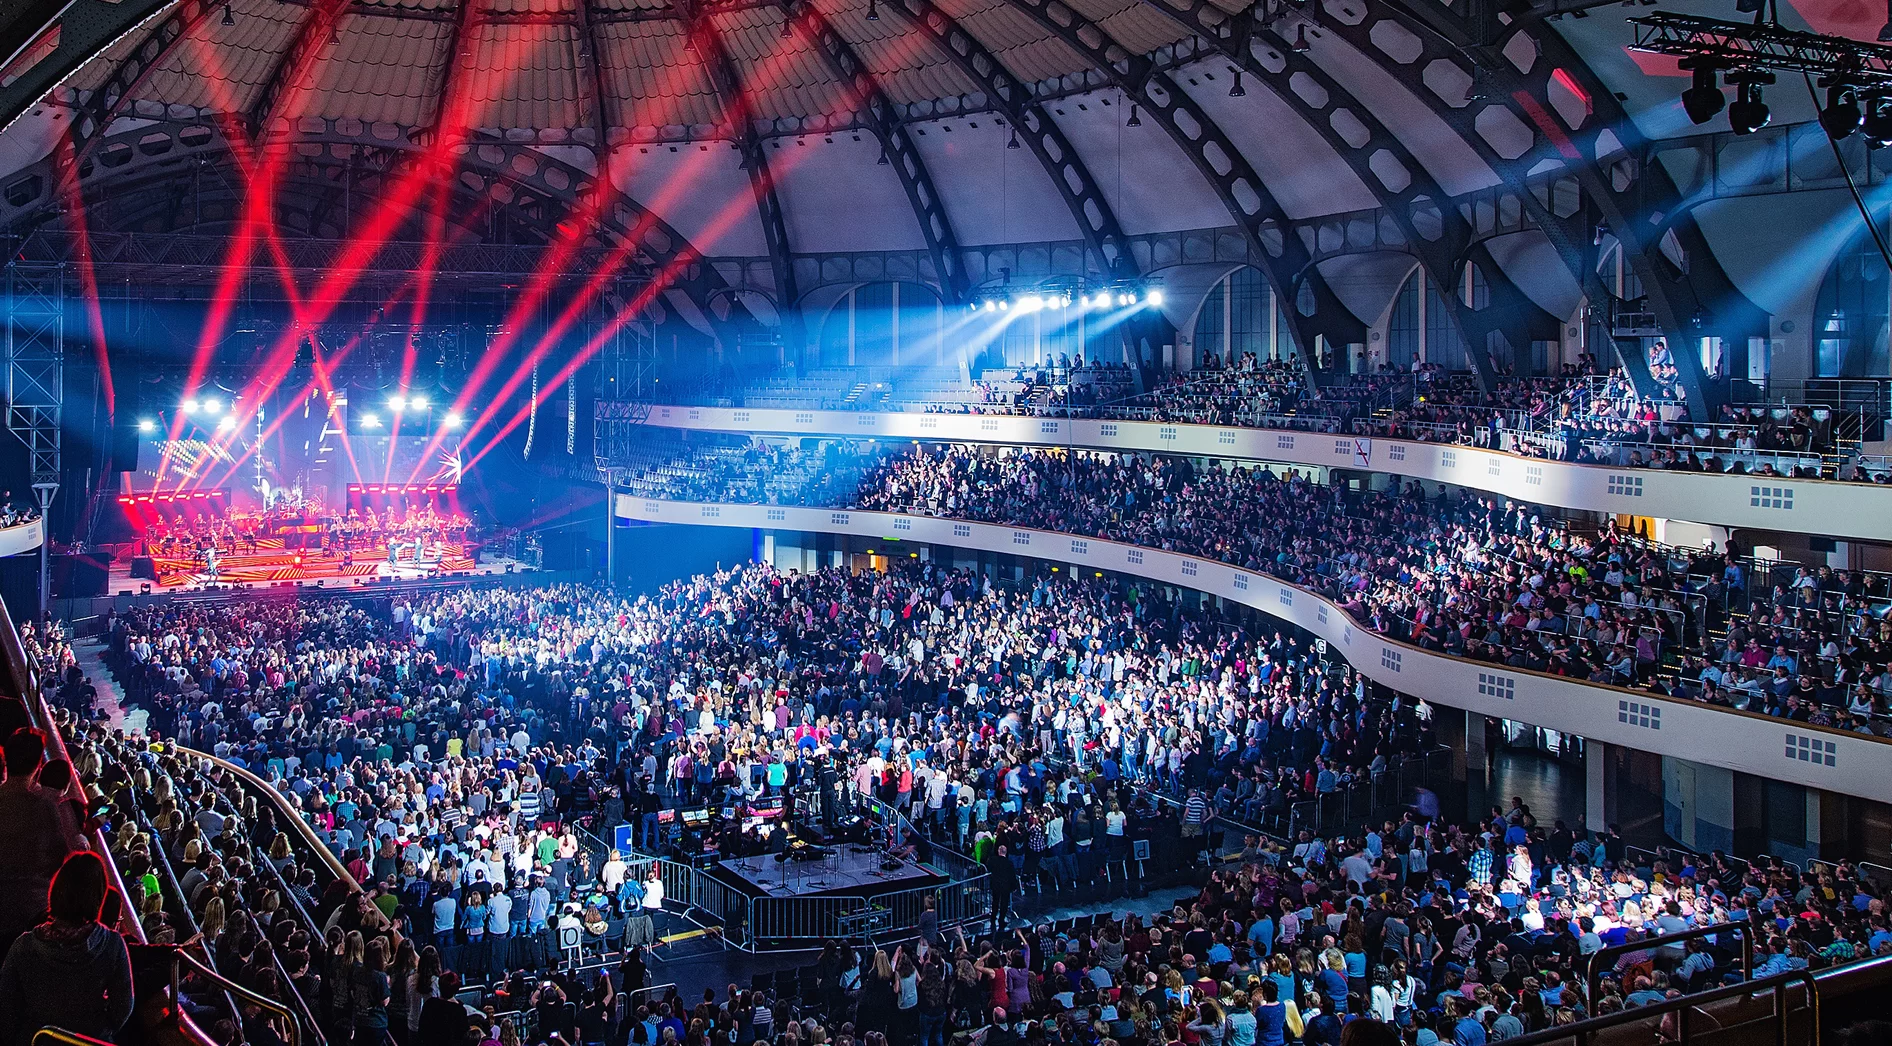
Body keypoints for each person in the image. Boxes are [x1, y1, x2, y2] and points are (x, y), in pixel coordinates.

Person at [0, 851, 135, 1046]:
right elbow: (123, 1006)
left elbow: (6, 1009)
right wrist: (101, 1029)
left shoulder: (23, 946)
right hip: (90, 1040)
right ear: (98, 896)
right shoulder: (113, 944)